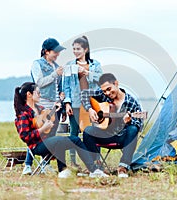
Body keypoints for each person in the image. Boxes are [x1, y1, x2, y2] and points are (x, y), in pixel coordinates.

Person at [14, 82, 108, 178]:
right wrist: (43, 129)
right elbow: (25, 137)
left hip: (48, 141)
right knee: (58, 140)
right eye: (37, 93)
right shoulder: (23, 114)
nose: (40, 95)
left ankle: (93, 170)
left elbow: (50, 124)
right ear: (29, 94)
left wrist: (56, 111)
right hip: (36, 146)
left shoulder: (40, 109)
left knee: (76, 140)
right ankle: (62, 170)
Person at [81, 73, 143, 178]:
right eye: (104, 91)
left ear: (116, 83)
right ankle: (95, 168)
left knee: (133, 129)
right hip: (105, 134)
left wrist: (128, 121)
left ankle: (123, 168)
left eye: (109, 89)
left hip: (121, 138)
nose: (107, 93)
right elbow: (84, 94)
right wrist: (90, 109)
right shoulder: (103, 95)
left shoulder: (131, 102)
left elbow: (139, 124)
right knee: (87, 131)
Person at [22, 38, 65, 175]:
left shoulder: (56, 65)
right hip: (41, 103)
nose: (57, 54)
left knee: (51, 135)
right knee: (37, 135)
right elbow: (39, 83)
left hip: (54, 106)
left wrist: (61, 99)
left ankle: (44, 163)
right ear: (46, 51)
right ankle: (27, 165)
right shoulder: (37, 64)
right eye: (55, 51)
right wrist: (54, 74)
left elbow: (58, 87)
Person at [63, 36, 103, 167]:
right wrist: (67, 103)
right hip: (75, 102)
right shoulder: (70, 65)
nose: (75, 51)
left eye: (78, 49)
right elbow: (66, 86)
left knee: (96, 130)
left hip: (93, 101)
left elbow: (101, 79)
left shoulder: (95, 64)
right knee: (74, 131)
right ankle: (73, 162)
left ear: (85, 49)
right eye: (74, 49)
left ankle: (97, 159)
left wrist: (87, 72)